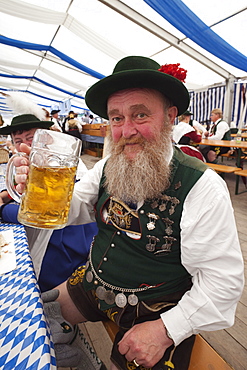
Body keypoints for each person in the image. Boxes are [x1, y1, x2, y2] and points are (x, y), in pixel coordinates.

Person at [12, 56, 244, 370]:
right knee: (24, 317)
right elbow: (74, 207)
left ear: (170, 116)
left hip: (154, 310)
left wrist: (165, 330)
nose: (126, 130)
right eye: (117, 118)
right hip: (93, 284)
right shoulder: (108, 166)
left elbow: (223, 283)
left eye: (140, 114)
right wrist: (35, 191)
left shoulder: (202, 186)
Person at [0, 114, 98, 292]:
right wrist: (7, 194)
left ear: (46, 138)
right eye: (18, 140)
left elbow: (44, 212)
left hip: (67, 256)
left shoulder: (63, 166)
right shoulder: (31, 164)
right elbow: (23, 192)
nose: (25, 145)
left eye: (30, 138)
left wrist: (3, 210)